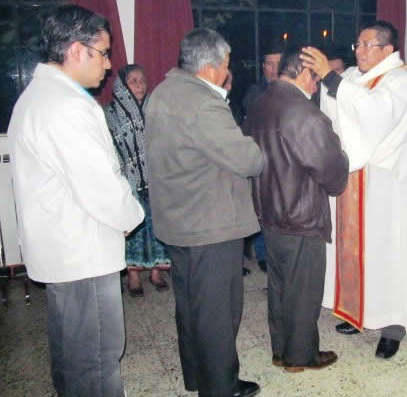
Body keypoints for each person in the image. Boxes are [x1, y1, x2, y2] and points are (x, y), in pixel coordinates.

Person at [7, 4, 144, 396]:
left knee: (73, 355)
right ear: (76, 50)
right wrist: (132, 214)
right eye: (103, 53)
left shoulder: (42, 96)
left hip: (65, 252)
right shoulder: (66, 106)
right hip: (82, 254)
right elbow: (100, 186)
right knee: (96, 360)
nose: (108, 64)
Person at [301, 21, 407, 360]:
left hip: (387, 188)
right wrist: (325, 83)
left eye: (366, 45)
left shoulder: (402, 81)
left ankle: (393, 327)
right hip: (354, 179)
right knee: (358, 252)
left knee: (389, 254)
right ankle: (359, 313)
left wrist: (332, 80)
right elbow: (337, 112)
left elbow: (376, 113)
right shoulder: (353, 78)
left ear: (387, 50)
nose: (358, 50)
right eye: (357, 44)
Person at [145, 28, 263, 397]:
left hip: (178, 220)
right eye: (226, 65)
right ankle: (220, 387)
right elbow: (248, 160)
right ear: (211, 67)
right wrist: (251, 141)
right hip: (210, 225)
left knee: (191, 306)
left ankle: (198, 377)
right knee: (217, 311)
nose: (228, 71)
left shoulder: (162, 92)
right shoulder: (204, 103)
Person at [244, 46, 349, 372]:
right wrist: (344, 159)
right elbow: (332, 172)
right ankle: (300, 356)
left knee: (279, 285)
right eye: (315, 79)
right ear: (303, 73)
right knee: (304, 289)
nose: (316, 87)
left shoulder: (261, 103)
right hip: (301, 215)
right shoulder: (304, 112)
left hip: (269, 211)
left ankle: (280, 349)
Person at [104, 64, 170, 297]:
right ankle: (133, 275)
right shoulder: (110, 113)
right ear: (122, 85)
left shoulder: (156, 107)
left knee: (157, 228)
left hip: (156, 180)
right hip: (128, 183)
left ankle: (156, 272)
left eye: (142, 80)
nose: (140, 85)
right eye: (133, 80)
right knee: (133, 231)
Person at [242, 44, 285, 273]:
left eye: (279, 63)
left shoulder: (293, 88)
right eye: (270, 63)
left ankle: (279, 251)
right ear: (263, 67)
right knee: (261, 206)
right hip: (262, 158)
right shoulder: (255, 92)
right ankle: (263, 253)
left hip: (286, 159)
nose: (274, 68)